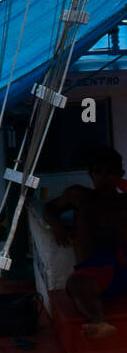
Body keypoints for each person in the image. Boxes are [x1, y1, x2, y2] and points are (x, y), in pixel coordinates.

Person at [42, 143, 127, 339]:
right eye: (99, 172)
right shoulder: (80, 195)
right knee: (76, 284)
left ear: (120, 173)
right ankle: (99, 323)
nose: (105, 178)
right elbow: (49, 208)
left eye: (111, 173)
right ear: (90, 173)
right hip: (94, 269)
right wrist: (57, 226)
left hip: (123, 266)